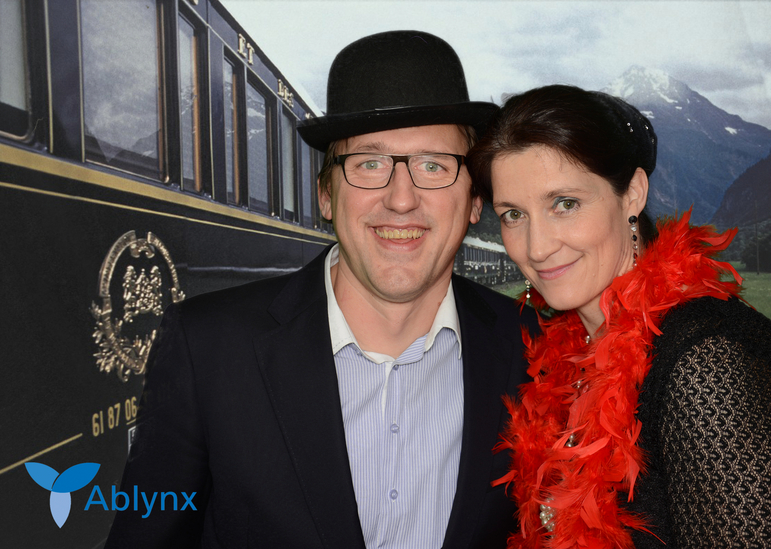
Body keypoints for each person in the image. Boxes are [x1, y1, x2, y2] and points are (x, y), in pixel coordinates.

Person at [104, 31, 539, 549]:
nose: (401, 199)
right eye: (369, 164)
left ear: (474, 202)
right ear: (326, 196)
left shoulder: (532, 349)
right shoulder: (206, 348)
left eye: (434, 166)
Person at [467, 85, 771, 548]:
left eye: (565, 204)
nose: (536, 247)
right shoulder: (565, 359)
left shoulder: (705, 366)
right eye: (514, 214)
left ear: (632, 194)